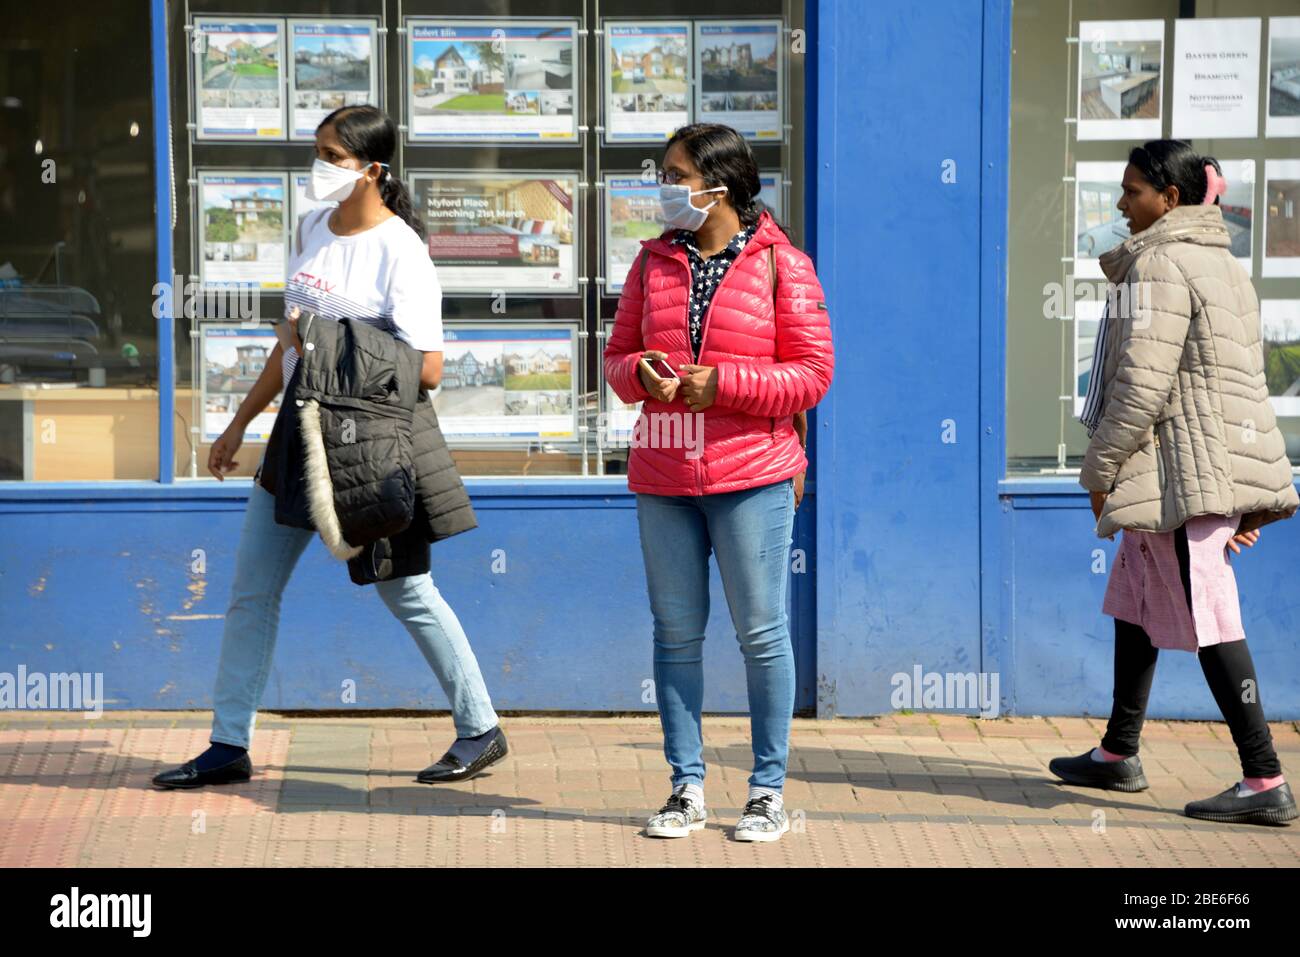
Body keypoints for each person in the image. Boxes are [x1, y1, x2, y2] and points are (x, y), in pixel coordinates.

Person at [152, 105, 507, 790]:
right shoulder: (313, 228)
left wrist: (332, 333)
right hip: (294, 431)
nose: (317, 166)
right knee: (251, 591)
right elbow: (290, 344)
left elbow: (428, 367)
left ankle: (480, 726)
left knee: (406, 590)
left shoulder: (401, 250)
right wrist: (239, 424)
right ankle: (229, 743)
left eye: (331, 155)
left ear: (373, 169)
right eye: (317, 151)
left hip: (366, 441)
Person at [1049, 139, 1298, 825]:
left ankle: (1264, 776)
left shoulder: (1159, 265)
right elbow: (1244, 389)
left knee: (1214, 621)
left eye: (1133, 191)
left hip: (1178, 480)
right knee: (1136, 603)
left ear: (1172, 200)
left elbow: (1141, 387)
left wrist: (1098, 469)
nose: (1123, 204)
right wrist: (1245, 491)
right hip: (1189, 474)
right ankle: (1118, 752)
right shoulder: (1222, 265)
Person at [603, 123, 834, 842]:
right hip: (664, 470)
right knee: (675, 634)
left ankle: (766, 790)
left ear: (720, 185)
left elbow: (813, 374)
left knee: (762, 633)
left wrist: (722, 385)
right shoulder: (651, 263)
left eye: (675, 175)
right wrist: (636, 374)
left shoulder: (782, 265)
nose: (665, 188)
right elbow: (614, 361)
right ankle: (686, 785)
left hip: (753, 474)